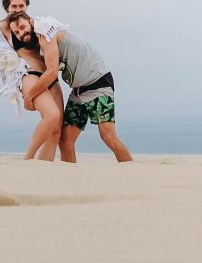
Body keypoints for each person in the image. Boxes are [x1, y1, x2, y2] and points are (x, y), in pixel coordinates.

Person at [10, 12, 132, 163]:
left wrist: (29, 96)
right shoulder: (39, 40)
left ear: (31, 21)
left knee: (108, 136)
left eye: (22, 27)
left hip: (98, 83)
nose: (21, 33)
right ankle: (70, 177)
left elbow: (52, 72)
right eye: (17, 32)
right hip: (79, 91)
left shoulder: (44, 32)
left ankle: (131, 170)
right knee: (65, 141)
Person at [0, 0, 66, 160]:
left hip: (48, 76)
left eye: (21, 6)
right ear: (7, 7)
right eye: (13, 6)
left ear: (26, 5)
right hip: (29, 75)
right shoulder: (3, 30)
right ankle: (27, 160)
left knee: (56, 130)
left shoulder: (35, 23)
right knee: (51, 115)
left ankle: (44, 169)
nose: (17, 9)